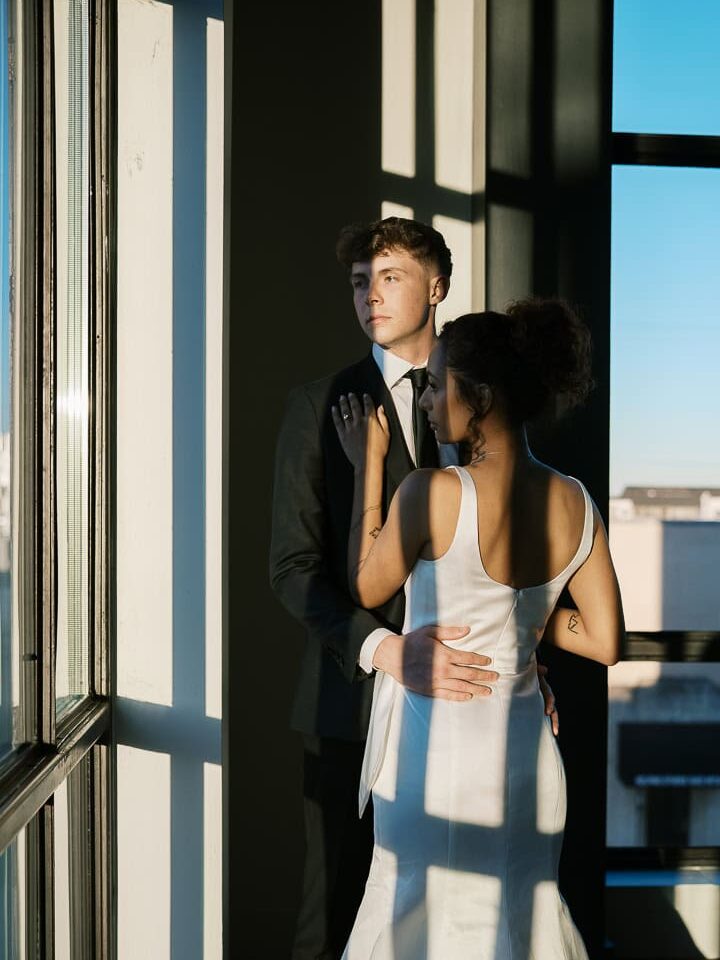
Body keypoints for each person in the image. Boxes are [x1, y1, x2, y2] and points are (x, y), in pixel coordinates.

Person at [270, 218, 557, 960]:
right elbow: (293, 568)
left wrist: (527, 656)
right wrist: (385, 649)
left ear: (437, 287)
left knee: (464, 916)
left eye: (389, 276)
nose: (370, 295)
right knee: (334, 919)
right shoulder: (316, 403)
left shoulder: (490, 398)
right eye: (360, 281)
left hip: (476, 709)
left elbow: (515, 558)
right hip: (352, 706)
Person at [332, 300, 625, 958]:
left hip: (434, 758)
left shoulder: (430, 493)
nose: (429, 402)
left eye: (438, 384)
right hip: (524, 763)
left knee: (417, 919)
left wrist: (368, 468)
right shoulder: (576, 499)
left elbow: (366, 586)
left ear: (479, 395)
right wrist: (520, 628)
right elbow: (606, 641)